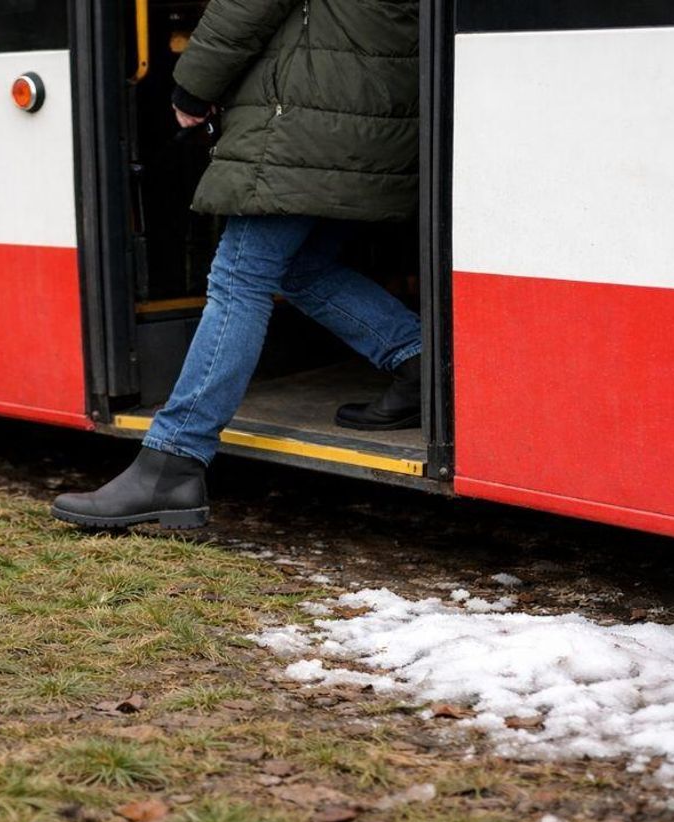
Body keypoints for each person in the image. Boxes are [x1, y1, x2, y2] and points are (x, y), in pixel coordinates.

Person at [53, 0, 420, 529]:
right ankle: (415, 358)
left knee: (236, 282)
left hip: (307, 118)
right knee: (300, 268)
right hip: (368, 115)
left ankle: (173, 461)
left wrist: (192, 86)